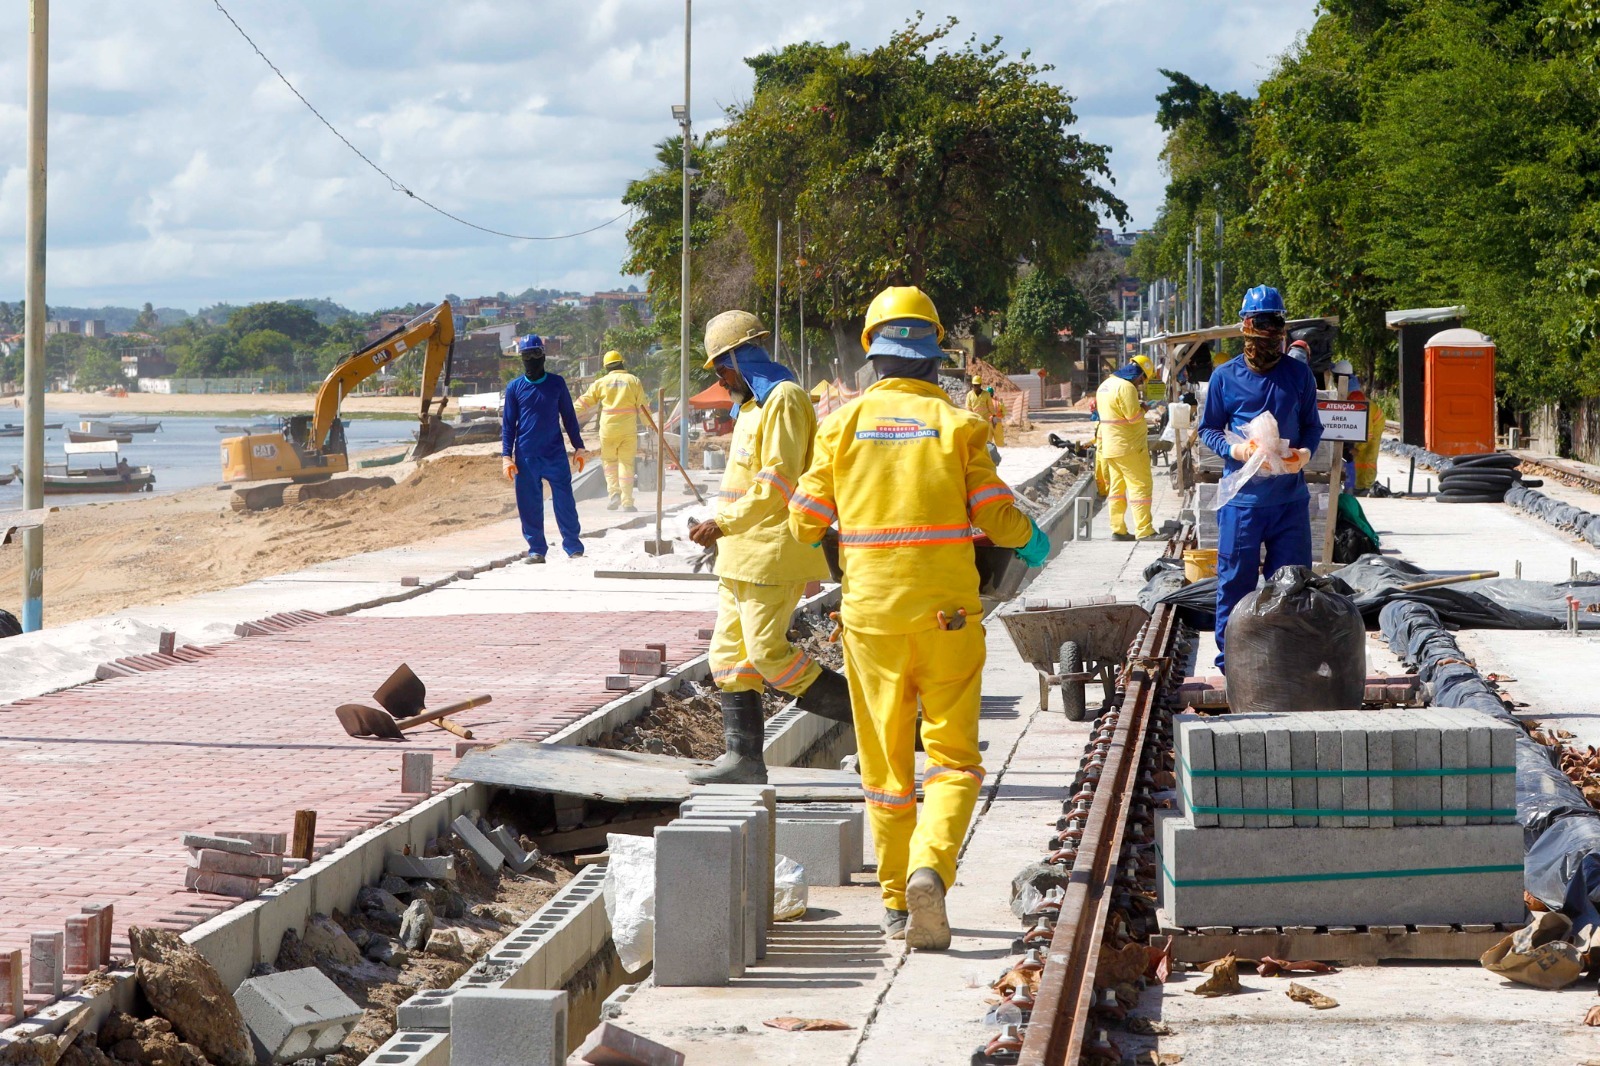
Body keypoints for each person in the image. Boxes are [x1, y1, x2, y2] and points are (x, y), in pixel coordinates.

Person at [789, 285, 1048, 951]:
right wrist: (1032, 537)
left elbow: (805, 523)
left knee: (885, 768)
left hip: (871, 621)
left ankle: (896, 904)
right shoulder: (961, 426)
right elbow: (997, 519)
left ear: (871, 356)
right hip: (948, 618)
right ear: (936, 357)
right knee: (954, 760)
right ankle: (931, 867)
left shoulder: (840, 426)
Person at [686, 310, 853, 786]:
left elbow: (778, 483)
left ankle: (884, 721)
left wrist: (722, 523)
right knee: (729, 658)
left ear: (739, 361)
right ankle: (743, 760)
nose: (721, 381)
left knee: (767, 654)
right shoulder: (750, 407)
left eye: (722, 370)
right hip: (737, 554)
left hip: (772, 553)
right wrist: (719, 530)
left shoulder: (784, 399)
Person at [1199, 285, 1323, 672]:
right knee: (1235, 583)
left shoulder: (1298, 375)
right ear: (1246, 329)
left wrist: (1303, 455)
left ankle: (1286, 661)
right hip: (1243, 505)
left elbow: (1312, 426)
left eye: (1274, 325)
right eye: (1260, 325)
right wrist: (1236, 450)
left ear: (1282, 329)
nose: (1267, 336)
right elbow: (1208, 429)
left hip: (1288, 503)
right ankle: (1232, 663)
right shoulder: (1225, 377)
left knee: (1292, 584)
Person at [501, 334, 586, 563]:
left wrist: (578, 447)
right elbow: (508, 424)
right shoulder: (514, 388)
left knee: (565, 501)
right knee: (529, 505)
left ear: (544, 356)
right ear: (522, 358)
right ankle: (537, 550)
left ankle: (573, 547)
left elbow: (569, 417)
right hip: (526, 456)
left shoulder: (557, 383)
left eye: (535, 354)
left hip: (555, 454)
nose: (531, 359)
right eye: (526, 355)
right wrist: (506, 456)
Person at [1095, 353, 1159, 541]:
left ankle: (1118, 530)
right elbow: (1133, 418)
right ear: (1140, 375)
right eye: (1142, 380)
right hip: (1129, 447)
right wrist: (1144, 409)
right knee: (1140, 486)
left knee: (1117, 489)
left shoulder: (1105, 385)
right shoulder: (1126, 387)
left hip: (1110, 447)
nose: (1140, 384)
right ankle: (1144, 531)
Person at [574, 350, 648, 512]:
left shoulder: (601, 383)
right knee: (626, 464)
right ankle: (627, 502)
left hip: (608, 430)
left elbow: (585, 401)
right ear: (622, 363)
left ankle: (614, 494)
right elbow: (643, 407)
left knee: (609, 463)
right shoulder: (633, 381)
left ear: (606, 367)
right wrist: (649, 424)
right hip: (628, 430)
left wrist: (567, 412)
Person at [1347, 380, 1386, 494]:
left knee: (1370, 455)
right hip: (1368, 425)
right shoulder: (1353, 401)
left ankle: (1368, 485)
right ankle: (1359, 485)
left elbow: (1368, 434)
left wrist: (1358, 448)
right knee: (1359, 458)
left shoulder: (1366, 410)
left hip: (1376, 424)